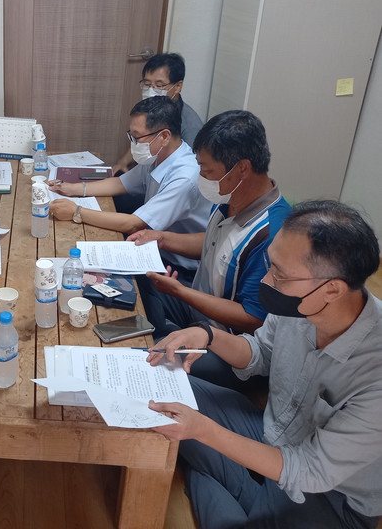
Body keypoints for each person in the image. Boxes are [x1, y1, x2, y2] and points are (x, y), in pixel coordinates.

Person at [147, 200, 382, 529]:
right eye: (271, 265)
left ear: (332, 289)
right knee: (155, 387)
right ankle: (224, 480)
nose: (267, 281)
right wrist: (208, 335)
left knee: (203, 471)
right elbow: (260, 352)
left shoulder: (374, 373)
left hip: (328, 496)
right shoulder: (302, 303)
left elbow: (309, 470)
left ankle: (215, 477)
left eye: (280, 274)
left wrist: (204, 430)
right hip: (269, 432)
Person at [127, 110, 290, 390]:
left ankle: (162, 341)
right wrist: (163, 239)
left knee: (145, 362)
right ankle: (160, 333)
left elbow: (252, 318)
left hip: (230, 347)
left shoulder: (272, 234)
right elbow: (215, 242)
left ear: (241, 168)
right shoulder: (230, 195)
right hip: (199, 310)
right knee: (135, 278)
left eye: (207, 170)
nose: (201, 176)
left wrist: (181, 292)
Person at [49, 96, 211, 282]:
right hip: (152, 246)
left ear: (164, 136)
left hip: (175, 267)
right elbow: (120, 183)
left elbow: (134, 223)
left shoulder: (184, 177)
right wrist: (73, 188)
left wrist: (76, 212)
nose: (133, 143)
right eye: (131, 135)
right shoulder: (158, 155)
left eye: (137, 137)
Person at [113, 52, 204, 213]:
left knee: (121, 203)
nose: (151, 90)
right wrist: (123, 162)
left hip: (170, 192)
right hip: (149, 178)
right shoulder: (152, 109)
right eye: (147, 84)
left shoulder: (191, 127)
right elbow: (142, 137)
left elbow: (190, 175)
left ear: (178, 86)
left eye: (159, 85)